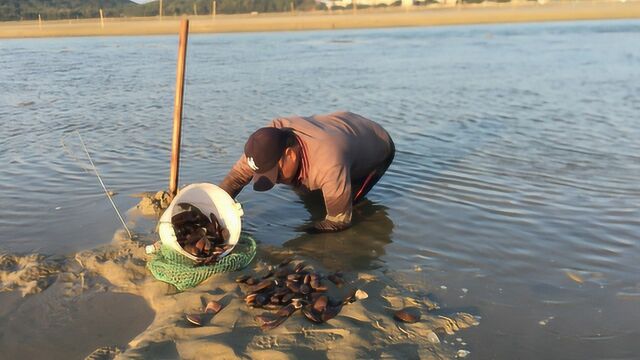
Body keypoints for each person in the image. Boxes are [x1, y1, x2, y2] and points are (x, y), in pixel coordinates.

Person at [219, 111, 395, 233]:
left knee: (349, 206)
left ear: (290, 154)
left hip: (377, 146)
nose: (276, 181)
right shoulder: (266, 141)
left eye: (276, 173)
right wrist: (211, 209)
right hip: (339, 129)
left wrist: (300, 232)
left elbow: (338, 221)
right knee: (312, 198)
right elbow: (236, 179)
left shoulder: (328, 163)